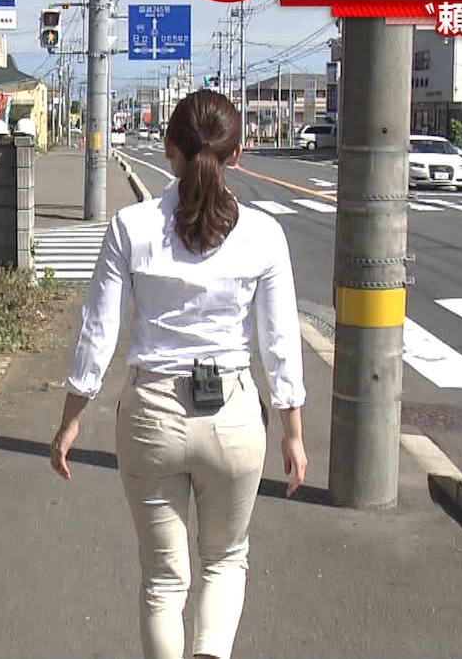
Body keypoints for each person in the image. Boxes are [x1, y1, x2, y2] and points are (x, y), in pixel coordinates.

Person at [49, 90, 308, 659]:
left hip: (151, 415)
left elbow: (98, 331)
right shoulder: (264, 234)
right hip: (233, 416)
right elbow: (280, 342)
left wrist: (71, 420)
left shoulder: (131, 227)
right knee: (225, 561)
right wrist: (292, 431)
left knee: (163, 582)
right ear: (237, 155)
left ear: (169, 149)